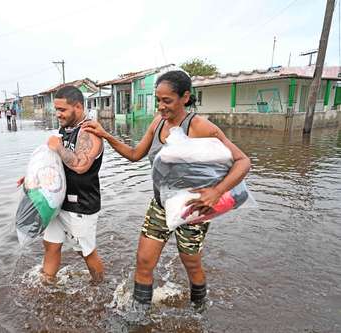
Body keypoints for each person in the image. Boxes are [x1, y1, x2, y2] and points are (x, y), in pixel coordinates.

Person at [82, 70, 251, 307]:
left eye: (167, 101)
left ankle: (198, 312)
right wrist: (105, 135)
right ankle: (138, 319)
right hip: (161, 205)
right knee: (143, 261)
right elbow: (134, 155)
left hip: (194, 209)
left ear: (185, 97)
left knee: (191, 265)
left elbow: (243, 161)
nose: (161, 106)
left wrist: (216, 192)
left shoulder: (200, 127)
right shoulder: (158, 123)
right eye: (158, 100)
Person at [17, 85, 105, 283]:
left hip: (81, 205)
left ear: (78, 107)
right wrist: (35, 177)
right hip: (57, 203)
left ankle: (100, 287)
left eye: (62, 110)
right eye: (56, 109)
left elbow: (81, 166)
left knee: (87, 253)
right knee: (51, 245)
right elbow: (56, 164)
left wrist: (57, 147)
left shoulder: (89, 132)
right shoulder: (64, 130)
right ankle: (47, 283)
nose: (58, 114)